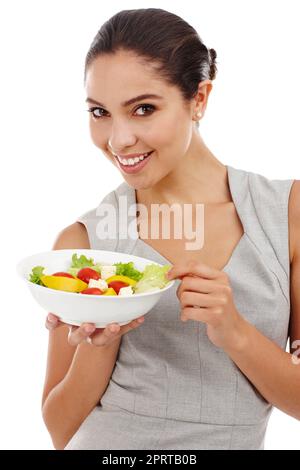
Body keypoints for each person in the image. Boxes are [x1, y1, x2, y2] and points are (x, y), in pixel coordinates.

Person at [41, 8, 300, 450]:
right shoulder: (86, 242)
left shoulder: (286, 214)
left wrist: (234, 331)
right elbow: (59, 428)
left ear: (199, 98)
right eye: (99, 111)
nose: (118, 139)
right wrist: (100, 343)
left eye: (143, 109)